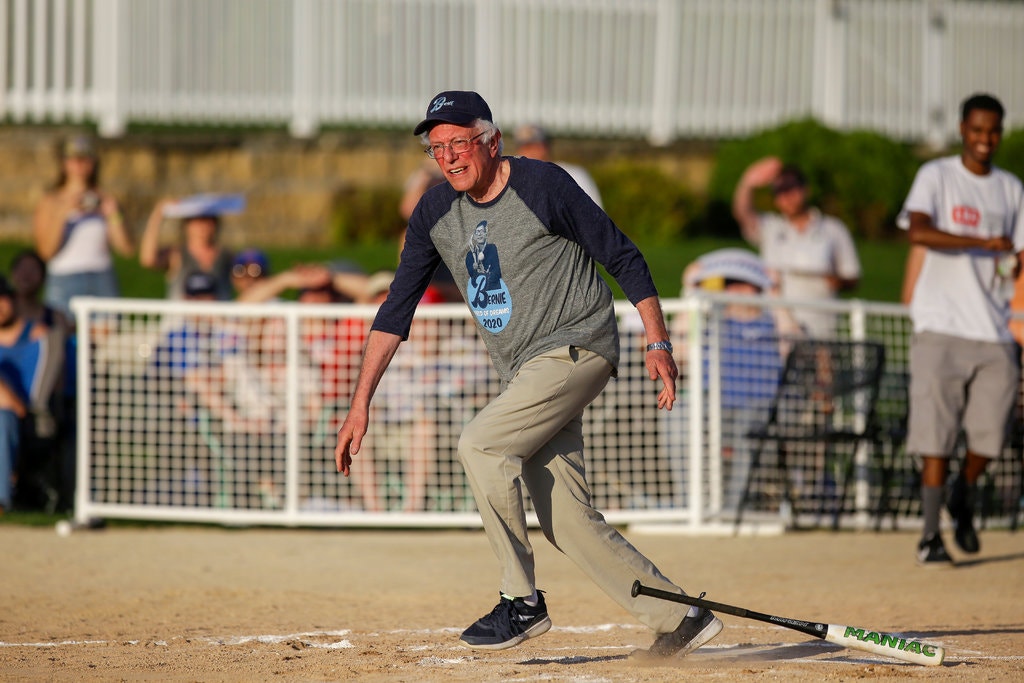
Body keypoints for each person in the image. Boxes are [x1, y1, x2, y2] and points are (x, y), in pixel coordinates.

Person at [335, 90, 722, 657]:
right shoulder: (435, 212)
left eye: (458, 143)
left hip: (577, 347)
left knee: (481, 446)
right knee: (566, 519)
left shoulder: (543, 185)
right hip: (525, 372)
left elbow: (624, 257)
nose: (447, 157)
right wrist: (359, 403)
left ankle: (521, 601)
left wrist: (657, 340)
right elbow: (396, 309)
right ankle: (679, 617)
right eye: (435, 147)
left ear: (490, 141)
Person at [899, 93, 1024, 566]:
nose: (984, 139)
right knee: (937, 433)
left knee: (991, 435)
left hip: (994, 328)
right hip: (941, 324)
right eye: (976, 130)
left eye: (993, 130)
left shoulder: (1011, 188)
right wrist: (980, 241)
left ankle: (964, 489)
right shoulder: (937, 176)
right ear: (962, 129)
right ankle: (931, 536)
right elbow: (918, 231)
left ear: (1001, 133)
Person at [668, 249, 796, 510]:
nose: (737, 290)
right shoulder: (711, 319)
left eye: (746, 284)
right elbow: (678, 348)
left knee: (748, 434)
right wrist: (689, 290)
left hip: (757, 405)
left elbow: (793, 341)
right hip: (711, 403)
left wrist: (776, 295)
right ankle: (688, 505)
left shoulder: (771, 321)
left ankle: (734, 509)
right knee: (675, 415)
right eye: (731, 284)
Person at [731, 157, 861, 338]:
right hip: (777, 329)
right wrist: (748, 181)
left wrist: (836, 281)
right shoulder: (770, 228)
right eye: (779, 191)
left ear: (805, 189)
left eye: (791, 188)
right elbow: (743, 213)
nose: (786, 196)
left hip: (822, 327)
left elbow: (852, 276)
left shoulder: (833, 229)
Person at [31, 135, 135, 320]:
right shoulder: (51, 201)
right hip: (64, 277)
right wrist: (63, 213)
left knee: (105, 338)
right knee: (63, 337)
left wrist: (113, 214)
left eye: (85, 159)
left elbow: (127, 249)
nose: (79, 165)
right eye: (73, 159)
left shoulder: (105, 198)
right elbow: (45, 252)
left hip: (101, 276)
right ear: (64, 163)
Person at [0, 275, 65, 512]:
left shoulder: (39, 336)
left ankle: (1, 499)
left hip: (25, 417)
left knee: (3, 418)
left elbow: (23, 405)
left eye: (3, 298)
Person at [139, 196, 236, 301]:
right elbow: (148, 260)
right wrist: (158, 214)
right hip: (181, 317)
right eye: (197, 221)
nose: (203, 227)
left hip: (218, 317)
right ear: (187, 225)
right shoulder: (176, 254)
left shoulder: (227, 257)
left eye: (208, 220)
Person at [513, 123, 603, 208]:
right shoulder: (515, 181)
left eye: (534, 146)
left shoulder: (574, 175)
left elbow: (596, 215)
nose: (530, 152)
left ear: (546, 147)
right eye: (525, 147)